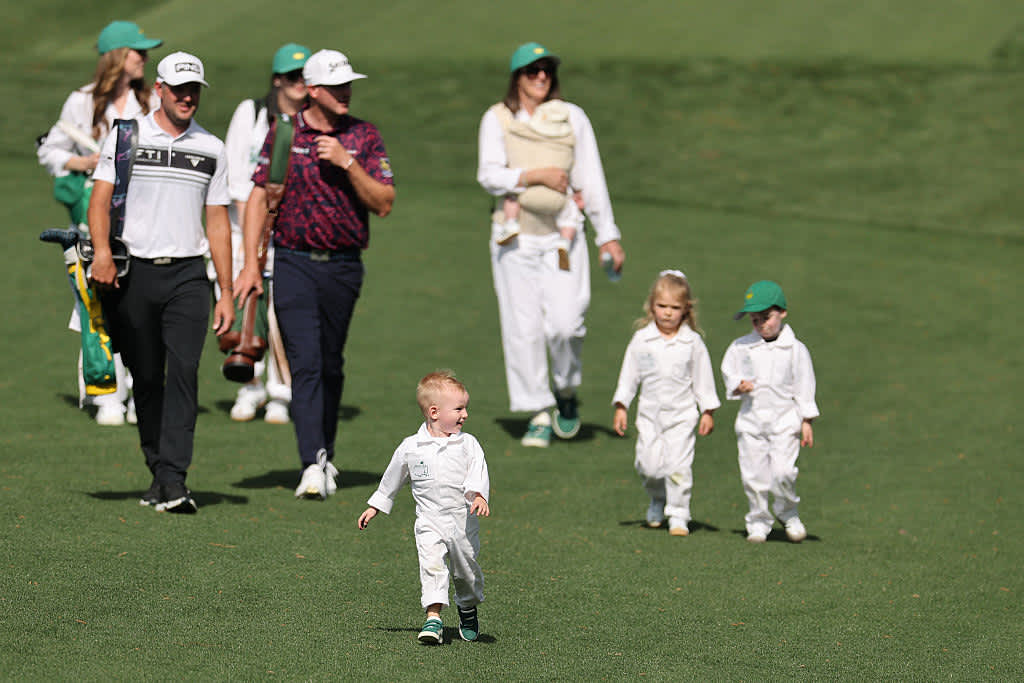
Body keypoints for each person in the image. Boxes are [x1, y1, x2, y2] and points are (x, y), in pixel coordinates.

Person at [234, 49, 395, 499]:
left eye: (349, 85)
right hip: (293, 262)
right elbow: (259, 198)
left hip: (344, 267)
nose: (346, 93)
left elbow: (383, 202)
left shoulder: (363, 135)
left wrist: (347, 162)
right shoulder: (285, 132)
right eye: (337, 86)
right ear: (312, 90)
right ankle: (312, 462)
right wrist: (250, 264)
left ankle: (325, 453)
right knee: (304, 363)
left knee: (330, 364)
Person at [88, 51, 234, 513]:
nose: (188, 97)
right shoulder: (126, 135)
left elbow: (217, 222)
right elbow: (99, 201)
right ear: (160, 90)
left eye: (195, 90)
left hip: (189, 275)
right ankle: (159, 473)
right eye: (179, 89)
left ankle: (175, 478)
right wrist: (104, 253)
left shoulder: (212, 147)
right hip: (134, 273)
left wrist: (226, 290)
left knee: (185, 372)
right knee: (147, 377)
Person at [477, 41, 625, 448]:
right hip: (513, 240)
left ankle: (566, 390)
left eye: (546, 70)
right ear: (517, 78)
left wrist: (608, 235)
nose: (541, 76)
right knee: (522, 329)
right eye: (532, 70)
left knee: (565, 323)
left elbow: (590, 179)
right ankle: (539, 410)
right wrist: (537, 174)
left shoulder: (572, 117)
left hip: (564, 236)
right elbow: (489, 174)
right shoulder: (497, 119)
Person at [36, 20, 162, 426]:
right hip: (95, 211)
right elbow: (51, 151)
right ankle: (107, 392)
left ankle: (140, 393)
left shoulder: (152, 103)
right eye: (137, 51)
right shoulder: (82, 102)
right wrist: (86, 162)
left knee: (141, 302)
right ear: (116, 57)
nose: (144, 57)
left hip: (144, 212)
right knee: (96, 299)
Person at [357, 371, 490, 644]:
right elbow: (391, 478)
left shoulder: (468, 444)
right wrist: (376, 506)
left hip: (462, 522)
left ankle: (467, 606)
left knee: (466, 571)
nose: (465, 414)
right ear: (434, 412)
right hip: (429, 520)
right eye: (459, 408)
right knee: (432, 567)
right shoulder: (411, 447)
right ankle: (434, 619)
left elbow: (478, 471)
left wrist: (479, 496)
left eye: (465, 408)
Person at [221, 42, 310, 424]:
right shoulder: (253, 113)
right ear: (277, 81)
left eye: (306, 77)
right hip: (246, 229)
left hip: (290, 236)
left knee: (281, 314)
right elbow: (237, 176)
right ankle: (250, 386)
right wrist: (254, 237)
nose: (300, 84)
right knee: (247, 308)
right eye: (292, 77)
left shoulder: (313, 121)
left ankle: (280, 392)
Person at [612, 270, 720, 536]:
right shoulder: (641, 340)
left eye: (675, 307)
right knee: (648, 466)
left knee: (678, 467)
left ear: (686, 310)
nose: (668, 313)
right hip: (649, 415)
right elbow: (629, 376)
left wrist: (707, 410)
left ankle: (679, 513)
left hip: (682, 416)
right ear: (651, 306)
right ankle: (657, 498)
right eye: (662, 306)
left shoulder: (692, 342)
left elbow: (702, 379)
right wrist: (622, 405)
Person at [720, 281, 819, 543]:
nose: (761, 324)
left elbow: (805, 385)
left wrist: (807, 419)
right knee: (754, 475)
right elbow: (729, 370)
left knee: (783, 472)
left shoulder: (795, 350)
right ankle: (758, 520)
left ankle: (788, 513)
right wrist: (737, 385)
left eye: (767, 318)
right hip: (751, 421)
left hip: (785, 421)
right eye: (755, 320)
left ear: (782, 313)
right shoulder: (741, 347)